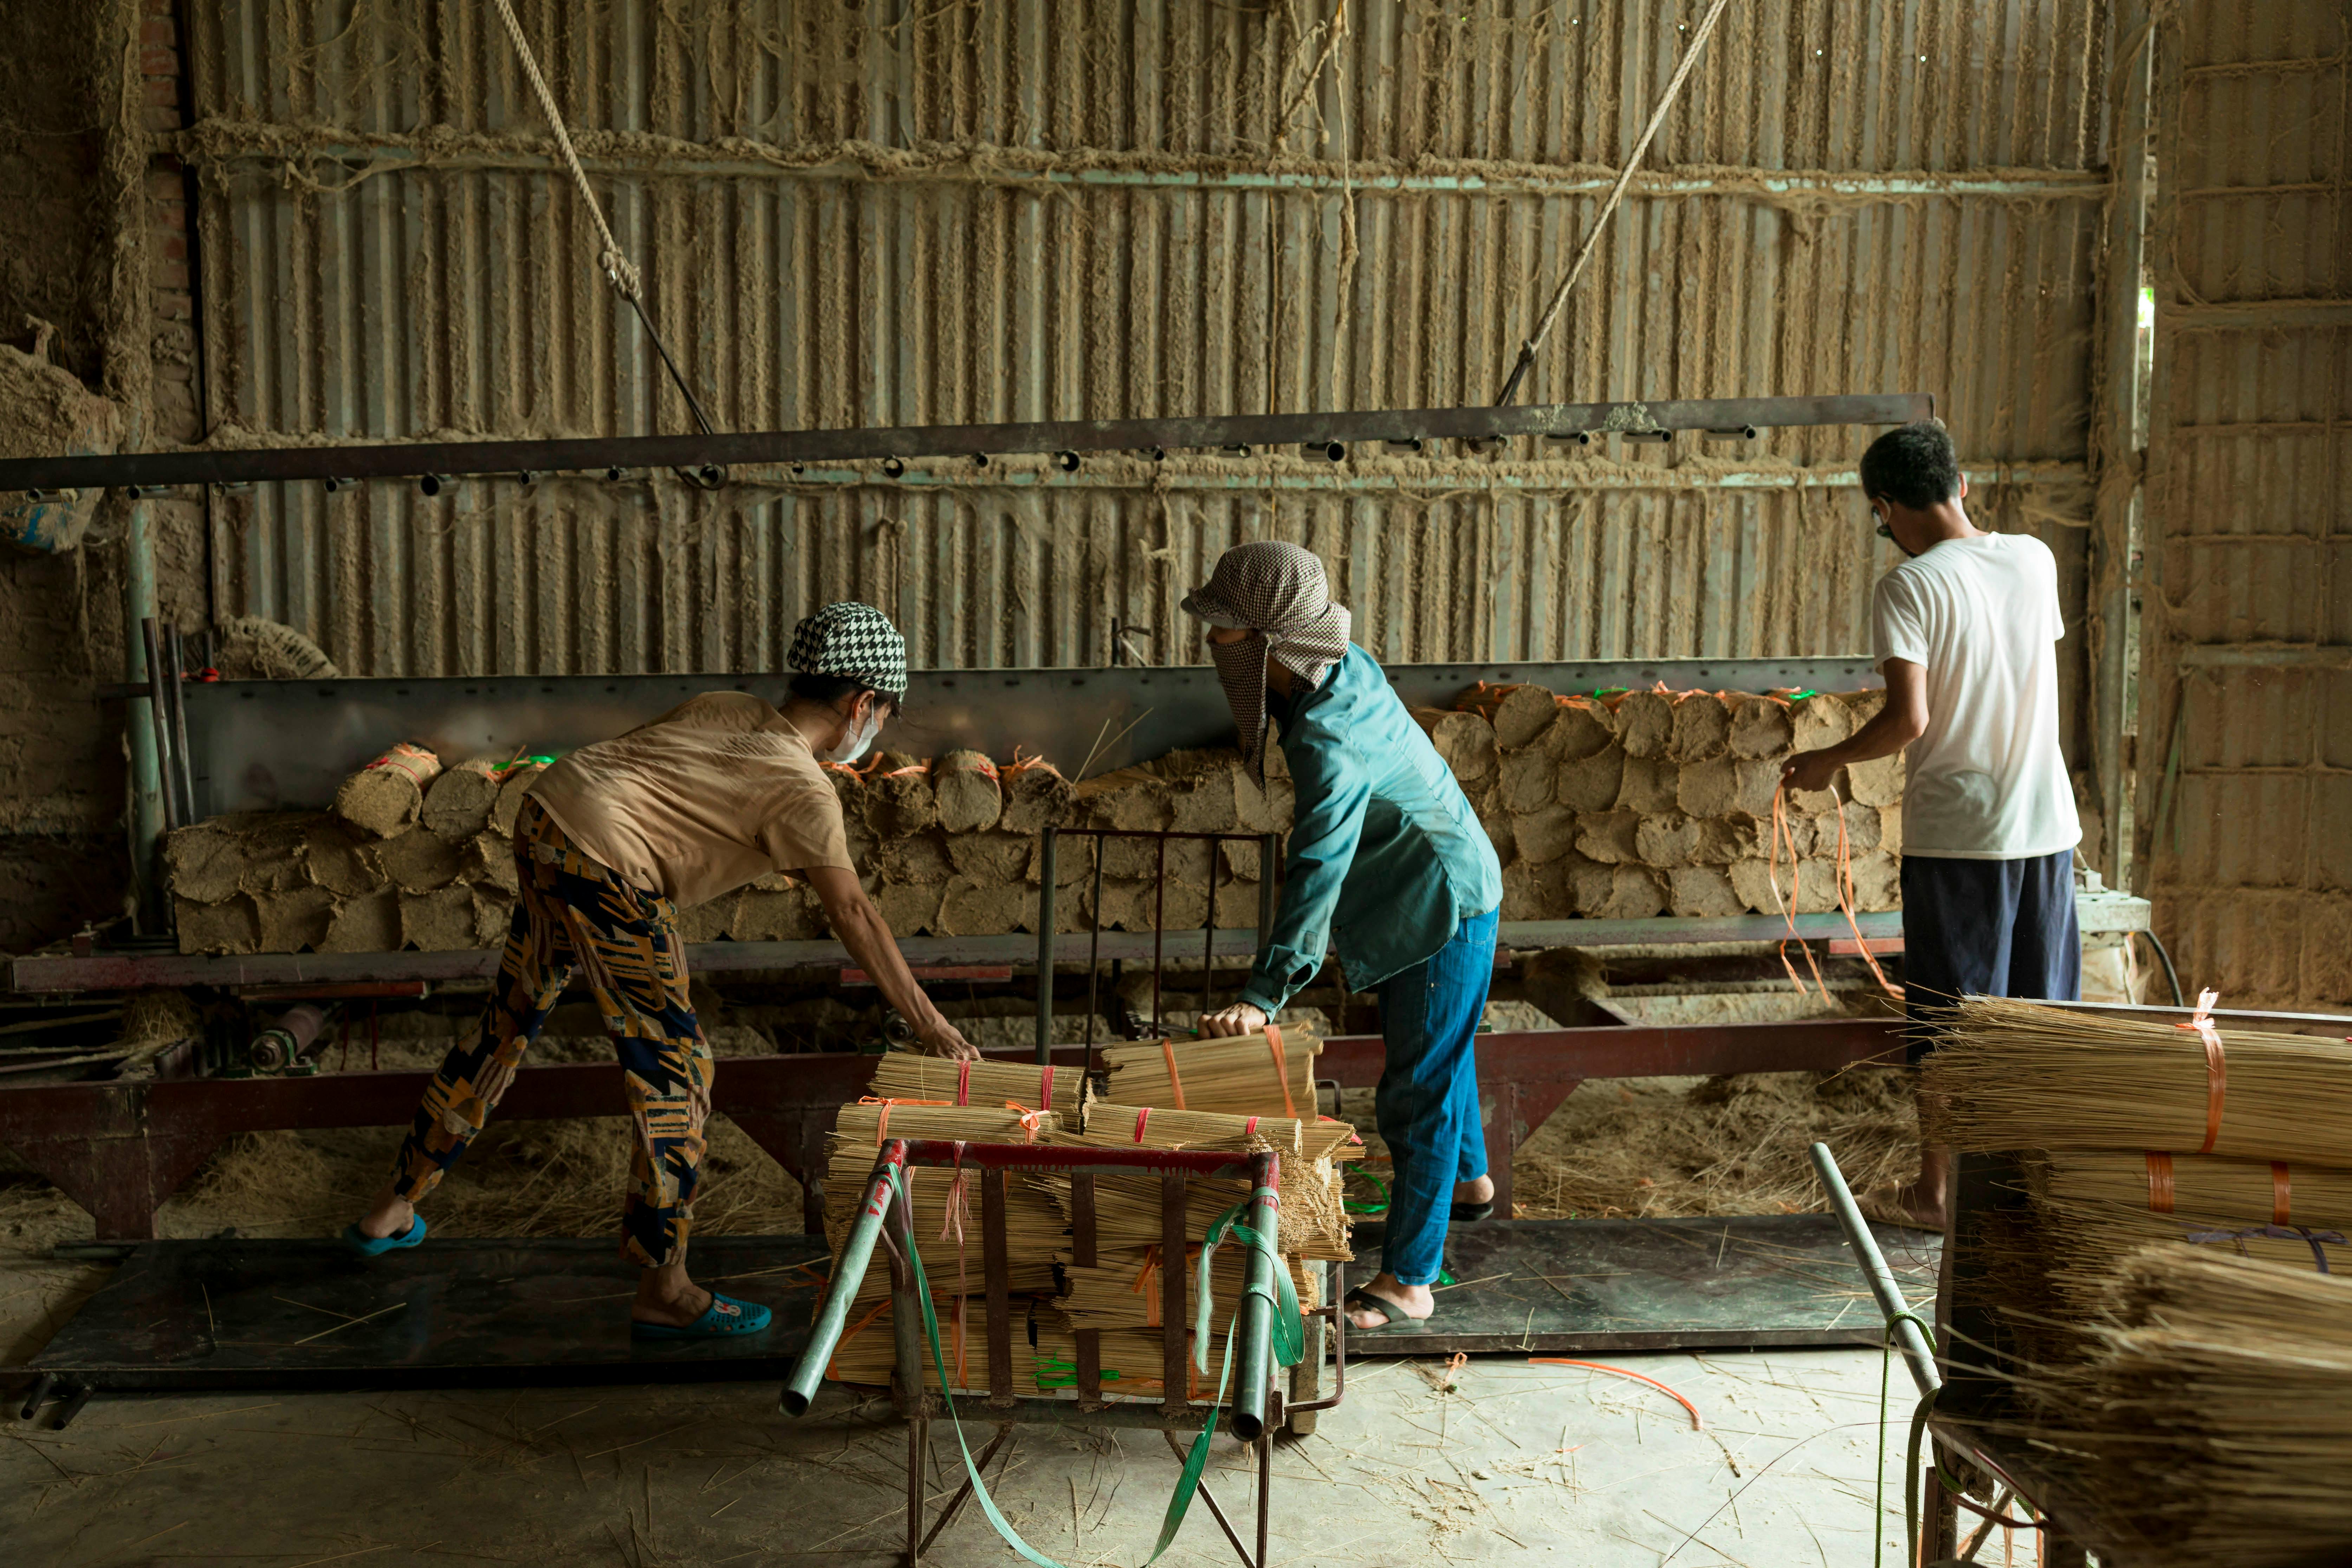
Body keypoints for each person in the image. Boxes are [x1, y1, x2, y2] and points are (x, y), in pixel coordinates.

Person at [345, 603, 977, 1337]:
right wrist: (931, 1025)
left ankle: (392, 1206)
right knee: (678, 1071)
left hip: (548, 818)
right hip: (608, 864)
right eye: (882, 715)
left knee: (511, 1018)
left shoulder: (728, 707)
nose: (875, 731)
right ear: (862, 703)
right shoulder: (805, 791)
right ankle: (665, 1286)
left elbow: (647, 784)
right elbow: (856, 917)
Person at [1184, 541, 1503, 1332]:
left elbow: (1319, 860)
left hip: (1439, 901)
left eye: (1223, 627)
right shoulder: (1336, 665)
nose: (1210, 641)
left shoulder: (1330, 736)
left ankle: (1408, 1280)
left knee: (1415, 1086)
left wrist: (1266, 992)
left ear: (1268, 642)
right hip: (1428, 875)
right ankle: (1467, 1184)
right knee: (1440, 1049)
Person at [1782, 422, 2081, 1229]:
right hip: (2046, 824)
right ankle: (2034, 1186)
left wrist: (1828, 759)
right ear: (1958, 482)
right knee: (2039, 1014)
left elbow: (1907, 720)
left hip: (1961, 837)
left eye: (1879, 518)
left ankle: (1937, 1193)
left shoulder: (1907, 588)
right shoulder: (2032, 557)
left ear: (1885, 507)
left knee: (1949, 1019)